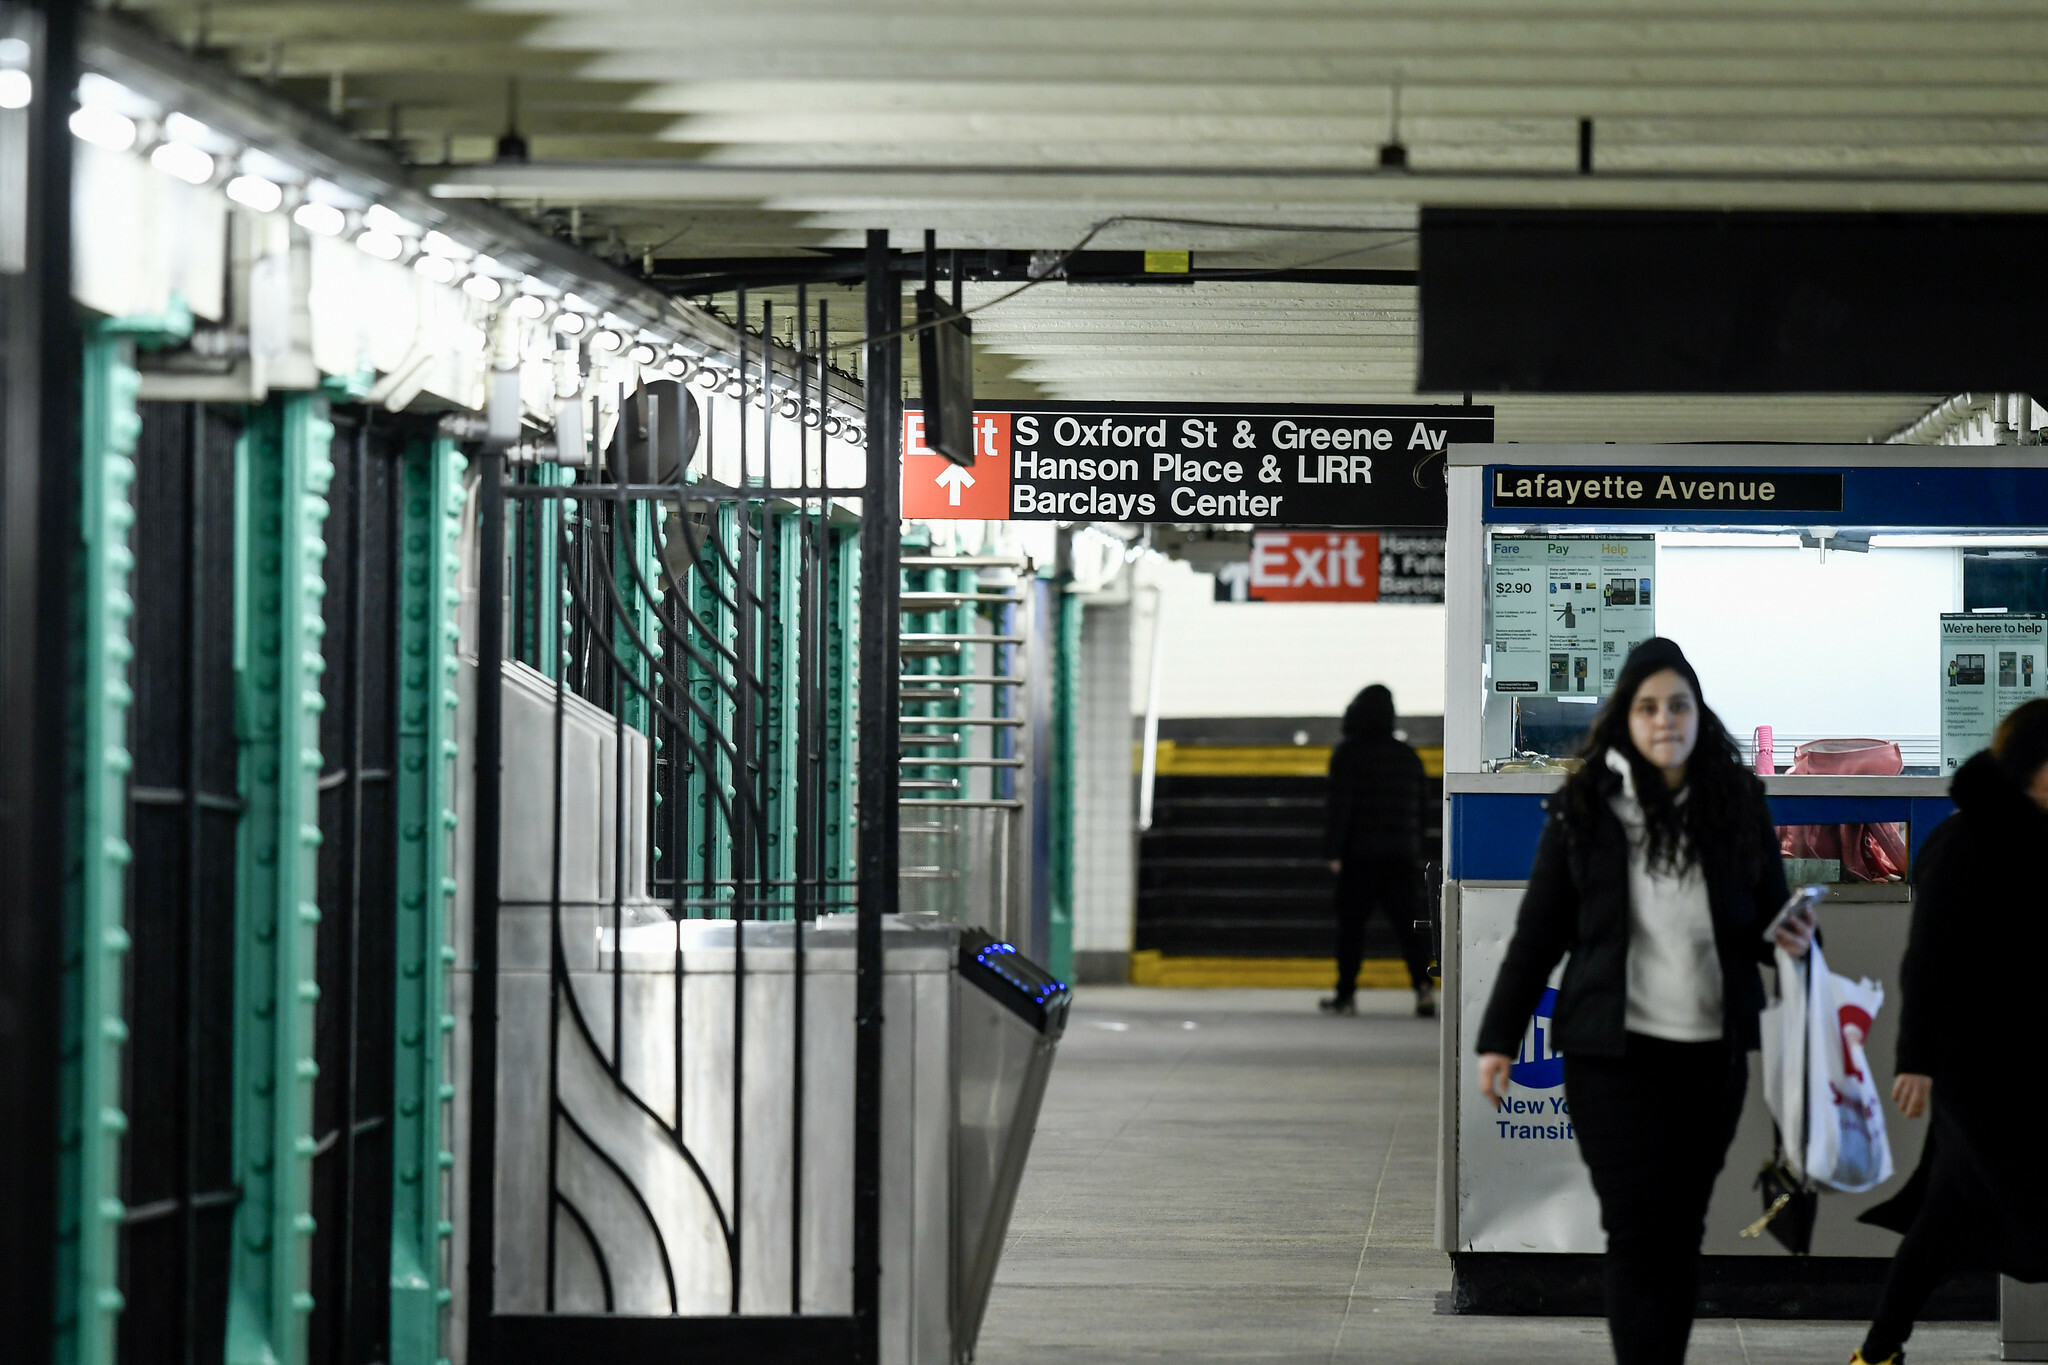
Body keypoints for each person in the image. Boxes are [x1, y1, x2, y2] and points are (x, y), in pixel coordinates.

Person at [1474, 638, 1815, 1365]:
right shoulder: (1586, 807)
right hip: (1611, 1059)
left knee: (1680, 1231)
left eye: (1679, 705)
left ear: (1699, 713)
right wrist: (1498, 1037)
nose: (1665, 719)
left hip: (1710, 1059)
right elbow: (1540, 932)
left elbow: (1765, 920)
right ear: (1625, 717)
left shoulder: (1736, 800)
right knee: (1635, 1229)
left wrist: (1790, 934)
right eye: (1648, 706)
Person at [1848, 698, 2048, 1365]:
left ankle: (1879, 1347)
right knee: (1992, 1207)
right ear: (2030, 766)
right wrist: (1916, 1058)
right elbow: (1929, 957)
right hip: (1980, 1070)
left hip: (2032, 1063)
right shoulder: (1966, 841)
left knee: (1947, 1214)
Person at [1320, 684, 1435, 1018]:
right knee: (1408, 929)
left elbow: (1340, 807)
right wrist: (1415, 847)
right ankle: (1423, 989)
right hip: (1400, 856)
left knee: (1351, 929)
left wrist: (1334, 852)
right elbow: (1421, 807)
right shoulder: (1406, 755)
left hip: (1358, 857)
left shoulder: (1348, 753)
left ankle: (1346, 995)